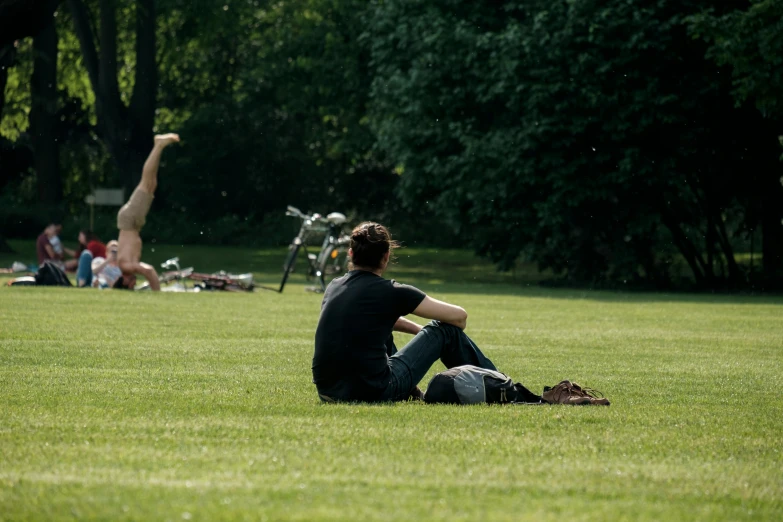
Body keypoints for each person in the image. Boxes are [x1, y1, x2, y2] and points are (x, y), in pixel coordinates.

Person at [312, 222, 498, 403]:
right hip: (371, 391)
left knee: (382, 334)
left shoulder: (334, 286)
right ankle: (499, 386)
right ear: (386, 256)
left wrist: (420, 332)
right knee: (444, 330)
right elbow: (459, 317)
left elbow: (370, 320)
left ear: (351, 254)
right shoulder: (391, 291)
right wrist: (431, 335)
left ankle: (413, 394)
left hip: (327, 391)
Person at [114, 133, 180, 290]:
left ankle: (159, 145)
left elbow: (149, 271)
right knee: (151, 185)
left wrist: (157, 292)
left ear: (124, 282)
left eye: (132, 285)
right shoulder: (127, 266)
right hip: (132, 221)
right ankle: (158, 147)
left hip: (130, 220)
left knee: (146, 184)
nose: (135, 283)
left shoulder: (127, 268)